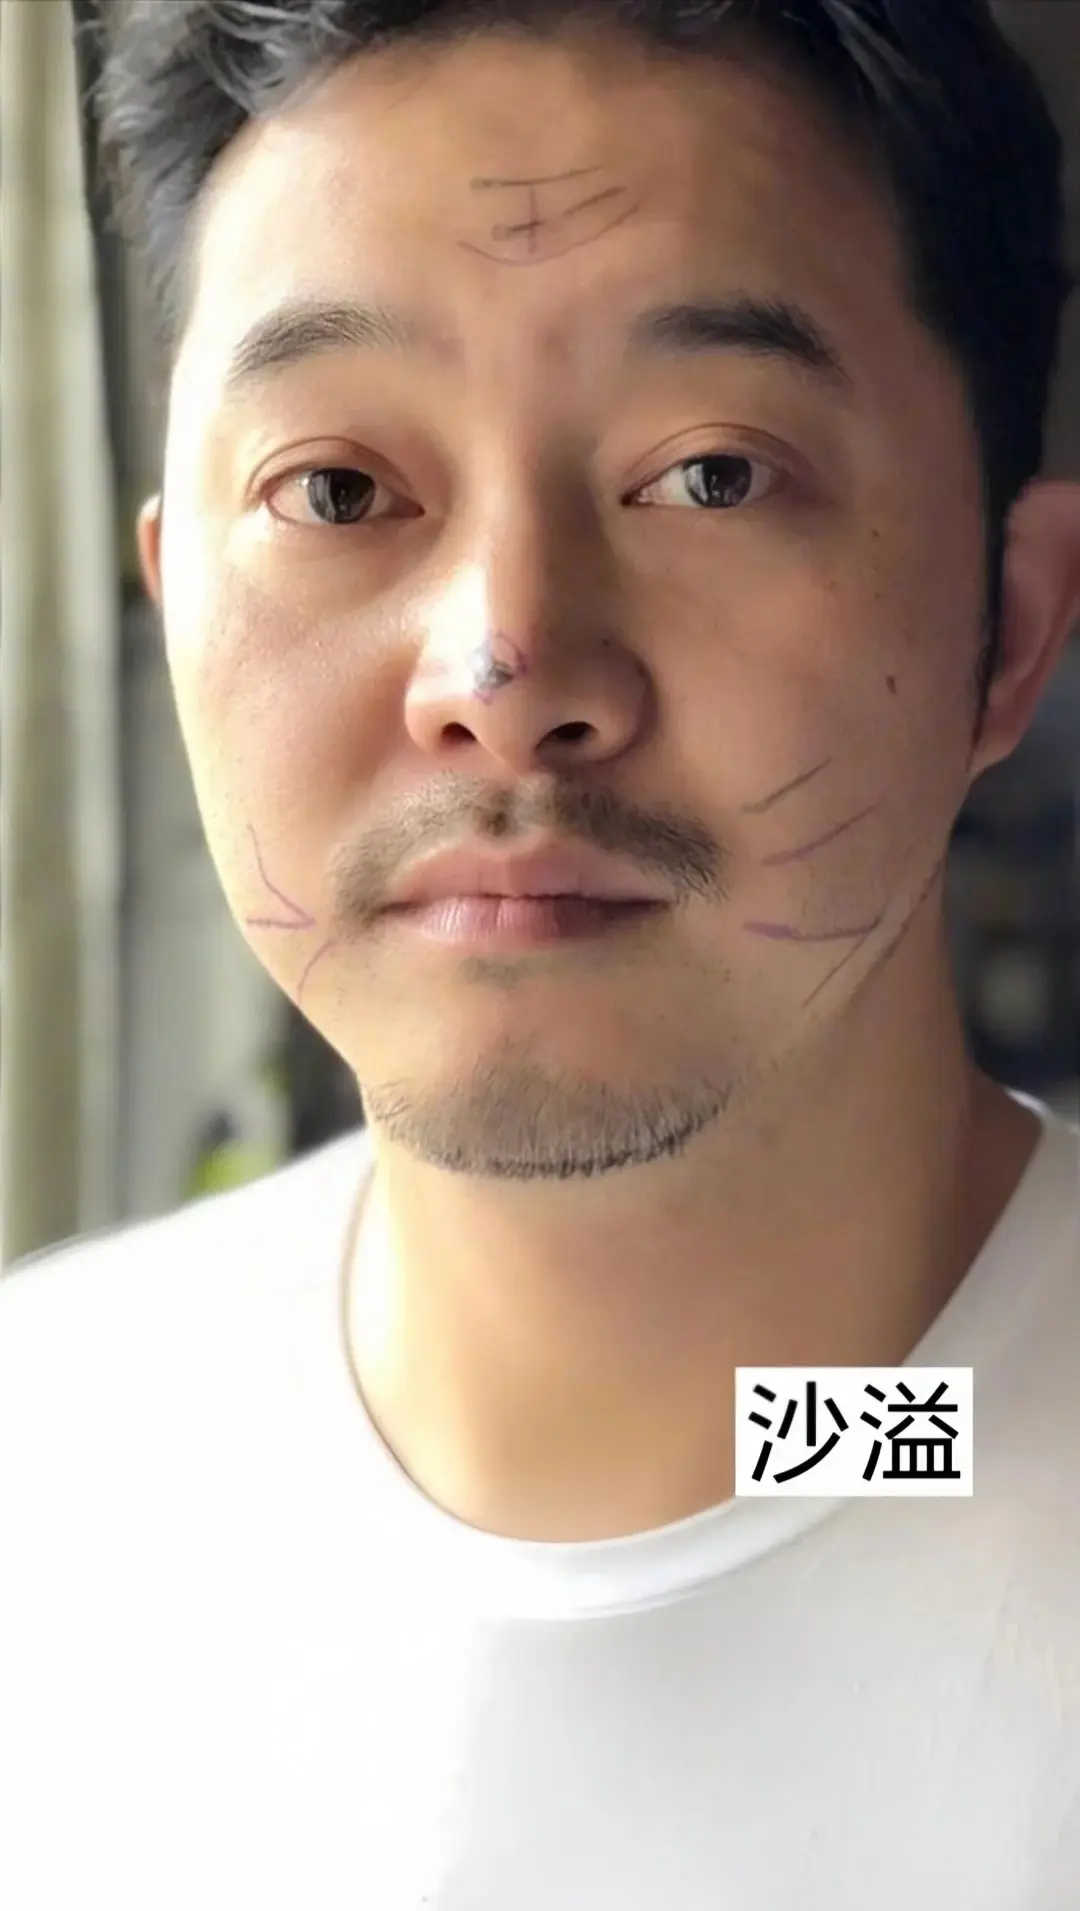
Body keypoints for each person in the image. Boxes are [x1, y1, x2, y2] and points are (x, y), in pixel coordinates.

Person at [2, 1, 1078, 1902]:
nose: (503, 670)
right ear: (174, 611)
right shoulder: (55, 1452)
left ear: (1012, 621)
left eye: (713, 473)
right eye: (339, 490)